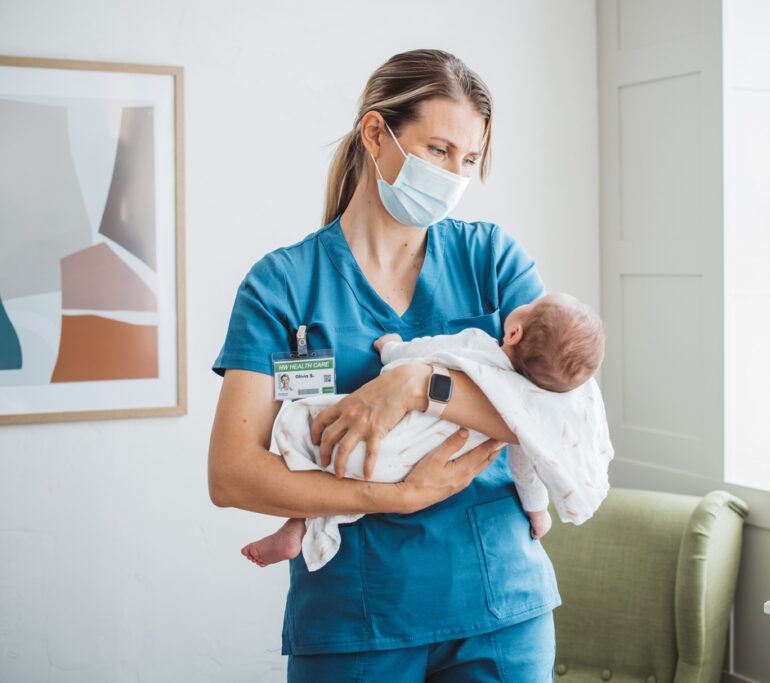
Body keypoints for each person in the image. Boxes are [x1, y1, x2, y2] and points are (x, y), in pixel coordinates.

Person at [208, 49, 567, 681]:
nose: (456, 175)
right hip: (355, 620)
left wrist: (417, 385)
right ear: (377, 133)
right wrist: (396, 497)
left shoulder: (492, 260)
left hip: (500, 607)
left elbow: (559, 410)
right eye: (438, 150)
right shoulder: (284, 287)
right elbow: (233, 473)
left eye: (470, 159)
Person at [242, 292, 612, 572]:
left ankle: (296, 523)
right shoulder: (525, 416)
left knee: (318, 447)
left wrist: (391, 349)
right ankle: (299, 529)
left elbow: (418, 354)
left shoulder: (476, 345)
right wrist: (538, 512)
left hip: (375, 441)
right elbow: (528, 465)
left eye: (531, 305)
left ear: (514, 332)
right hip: (410, 467)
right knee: (347, 481)